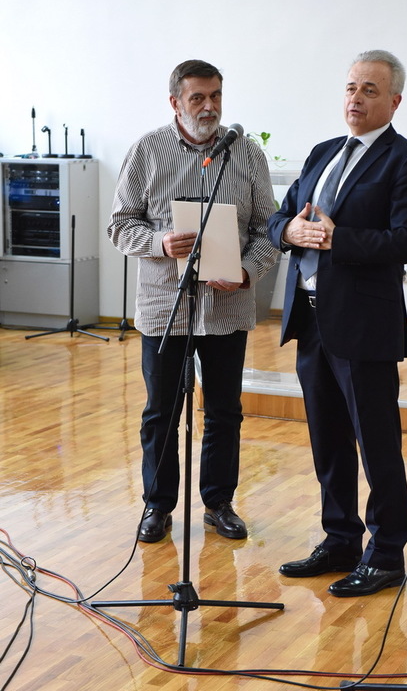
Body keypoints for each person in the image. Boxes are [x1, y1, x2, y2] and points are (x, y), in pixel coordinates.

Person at [267, 50, 407, 596]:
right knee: (328, 441)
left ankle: (385, 554)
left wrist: (340, 239)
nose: (356, 98)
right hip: (311, 320)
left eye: (369, 90)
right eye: (350, 87)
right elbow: (279, 217)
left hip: (364, 326)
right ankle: (340, 538)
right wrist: (288, 232)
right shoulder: (322, 153)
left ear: (394, 101)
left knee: (376, 444)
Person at [108, 59, 278, 543]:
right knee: (161, 412)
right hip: (166, 307)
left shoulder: (246, 154)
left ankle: (219, 503)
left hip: (227, 309)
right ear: (175, 102)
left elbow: (269, 230)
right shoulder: (147, 150)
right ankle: (157, 505)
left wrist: (246, 271)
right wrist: (160, 243)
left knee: (224, 411)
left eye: (216, 96)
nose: (209, 106)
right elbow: (120, 224)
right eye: (198, 97)